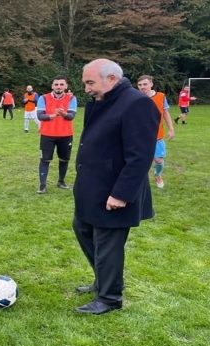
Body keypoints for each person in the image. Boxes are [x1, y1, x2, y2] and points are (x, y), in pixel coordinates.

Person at [72, 59, 159, 315]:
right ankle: (103, 281)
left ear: (111, 79)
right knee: (83, 227)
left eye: (90, 82)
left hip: (115, 189)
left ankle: (110, 298)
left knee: (108, 240)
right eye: (85, 83)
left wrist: (121, 194)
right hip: (93, 186)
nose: (87, 89)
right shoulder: (102, 101)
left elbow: (140, 156)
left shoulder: (137, 103)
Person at [35, 76, 77, 194]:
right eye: (56, 84)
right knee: (45, 159)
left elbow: (71, 116)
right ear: (52, 86)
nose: (59, 87)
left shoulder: (71, 98)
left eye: (61, 84)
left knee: (64, 159)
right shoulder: (44, 98)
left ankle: (61, 181)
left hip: (66, 134)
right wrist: (52, 116)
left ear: (66, 86)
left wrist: (62, 113)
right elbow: (40, 116)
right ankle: (42, 185)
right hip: (47, 134)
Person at [137, 75, 175, 188]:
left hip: (156, 136)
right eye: (140, 85)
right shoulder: (135, 97)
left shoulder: (161, 97)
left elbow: (165, 113)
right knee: (140, 161)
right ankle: (139, 182)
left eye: (145, 84)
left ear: (151, 84)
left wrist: (171, 128)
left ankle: (158, 175)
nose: (142, 87)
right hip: (140, 136)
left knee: (158, 160)